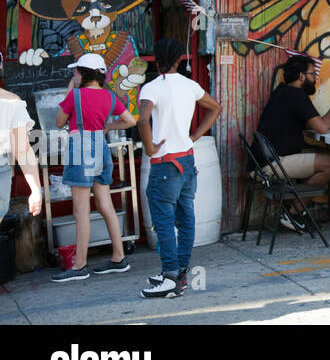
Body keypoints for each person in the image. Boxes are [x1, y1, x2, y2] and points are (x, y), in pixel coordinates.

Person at [137, 38, 222, 298]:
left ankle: (171, 277)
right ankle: (180, 272)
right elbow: (215, 108)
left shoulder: (151, 88)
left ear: (157, 59)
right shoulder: (191, 85)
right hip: (187, 159)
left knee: (163, 220)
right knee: (186, 218)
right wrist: (194, 136)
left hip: (164, 163)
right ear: (178, 59)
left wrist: (150, 148)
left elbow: (142, 121)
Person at [50, 53, 135, 282]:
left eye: (76, 71)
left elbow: (59, 122)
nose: (74, 75)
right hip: (101, 148)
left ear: (83, 74)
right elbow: (130, 120)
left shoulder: (75, 95)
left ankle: (79, 265)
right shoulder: (109, 96)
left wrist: (71, 91)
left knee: (81, 211)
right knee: (105, 204)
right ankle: (119, 258)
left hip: (80, 151)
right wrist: (108, 127)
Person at [254, 54, 330, 230]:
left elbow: (313, 124)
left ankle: (296, 211)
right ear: (301, 76)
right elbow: (321, 129)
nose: (316, 79)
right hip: (271, 165)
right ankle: (294, 213)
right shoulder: (296, 96)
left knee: (324, 156)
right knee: (329, 163)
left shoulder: (283, 92)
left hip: (264, 161)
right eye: (313, 74)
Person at [0, 85, 42, 222]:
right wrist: (36, 190)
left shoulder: (11, 102)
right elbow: (22, 150)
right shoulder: (10, 101)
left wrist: (36, 190)